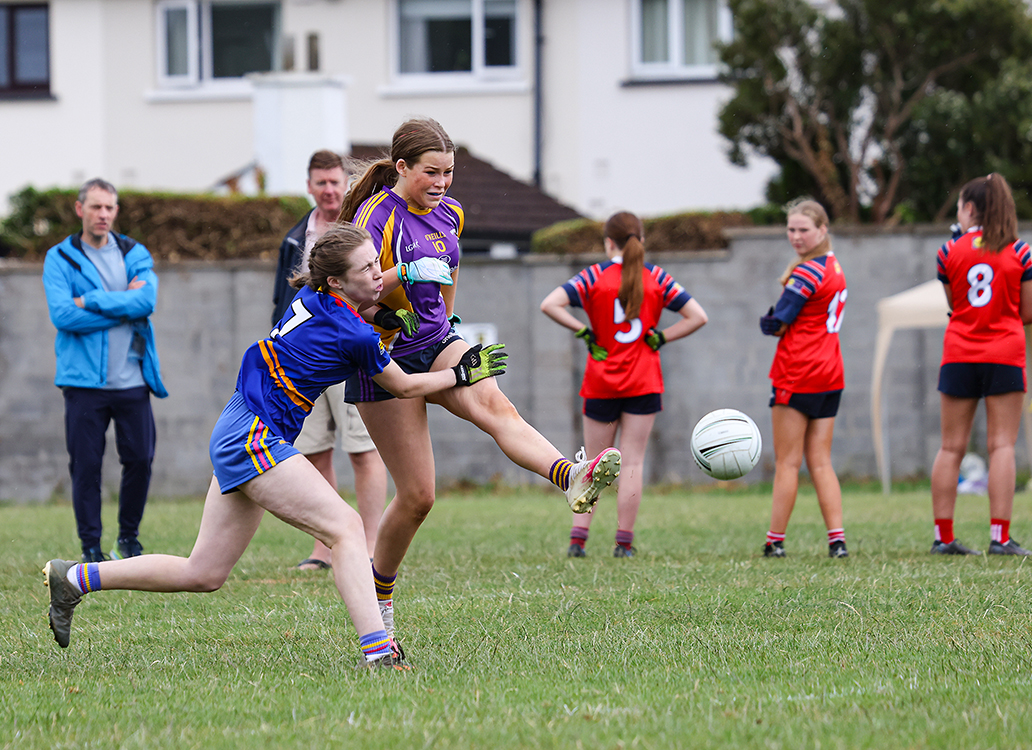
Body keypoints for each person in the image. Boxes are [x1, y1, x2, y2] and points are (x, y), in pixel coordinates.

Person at [43, 223, 507, 667]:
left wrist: (385, 312)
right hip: (255, 436)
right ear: (338, 283)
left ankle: (75, 577)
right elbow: (403, 386)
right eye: (367, 269)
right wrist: (461, 372)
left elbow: (355, 317)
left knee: (203, 573)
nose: (379, 274)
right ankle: (380, 652)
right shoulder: (355, 333)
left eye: (377, 264)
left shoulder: (313, 296)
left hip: (239, 427)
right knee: (346, 527)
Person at [338, 117, 622, 657]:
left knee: (495, 404)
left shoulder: (453, 212)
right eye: (430, 173)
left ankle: (569, 474)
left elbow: (448, 270)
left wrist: (446, 320)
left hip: (435, 337)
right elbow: (360, 292)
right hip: (382, 353)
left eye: (448, 172)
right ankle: (379, 596)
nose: (442, 183)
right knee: (419, 497)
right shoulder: (377, 216)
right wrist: (404, 275)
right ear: (401, 169)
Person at [539, 211, 707, 558]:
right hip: (644, 380)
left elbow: (549, 304)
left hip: (600, 380)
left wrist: (583, 330)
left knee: (593, 462)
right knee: (631, 463)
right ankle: (624, 543)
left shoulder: (594, 276)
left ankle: (578, 539)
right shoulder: (657, 277)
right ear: (641, 240)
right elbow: (698, 316)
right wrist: (661, 337)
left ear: (608, 242)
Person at [272, 149, 389, 569]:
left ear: (345, 184)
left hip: (349, 353)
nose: (328, 189)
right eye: (320, 182)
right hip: (301, 363)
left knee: (362, 450)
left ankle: (371, 546)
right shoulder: (296, 234)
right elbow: (283, 296)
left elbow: (374, 289)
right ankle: (324, 547)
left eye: (335, 181)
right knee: (314, 451)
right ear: (309, 186)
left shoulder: (356, 230)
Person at [42, 178, 168, 563]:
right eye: (96, 207)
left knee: (140, 460)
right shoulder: (60, 258)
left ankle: (128, 539)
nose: (103, 215)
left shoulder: (133, 251)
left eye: (109, 208)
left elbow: (145, 301)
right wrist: (121, 306)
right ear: (80, 210)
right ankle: (91, 548)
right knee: (86, 467)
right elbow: (63, 315)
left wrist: (93, 300)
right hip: (84, 384)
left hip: (132, 380)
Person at [929, 173, 1032, 556]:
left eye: (960, 204)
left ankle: (943, 538)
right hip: (1005, 353)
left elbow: (955, 303)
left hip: (959, 352)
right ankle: (1000, 537)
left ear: (970, 209)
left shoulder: (948, 251)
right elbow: (1027, 312)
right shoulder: (1019, 252)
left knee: (951, 446)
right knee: (1001, 444)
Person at [758, 199, 848, 559]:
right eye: (791, 230)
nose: (795, 236)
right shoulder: (834, 266)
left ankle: (775, 540)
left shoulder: (807, 272)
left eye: (803, 230)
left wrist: (768, 320)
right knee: (821, 461)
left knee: (788, 462)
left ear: (822, 230)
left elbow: (778, 321)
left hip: (798, 373)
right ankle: (837, 540)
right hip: (831, 372)